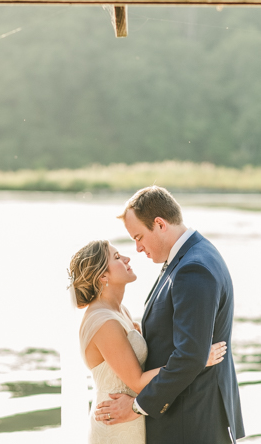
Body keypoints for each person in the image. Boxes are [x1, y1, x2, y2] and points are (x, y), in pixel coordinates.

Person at [94, 186, 245, 444]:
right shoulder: (190, 256)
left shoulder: (193, 269)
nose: (138, 248)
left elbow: (190, 356)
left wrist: (136, 407)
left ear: (160, 224)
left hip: (190, 422)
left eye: (139, 237)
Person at [69, 239, 228, 444]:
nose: (127, 258)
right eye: (117, 257)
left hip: (131, 417)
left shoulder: (119, 311)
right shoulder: (103, 321)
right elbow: (137, 380)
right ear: (102, 276)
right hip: (115, 422)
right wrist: (197, 359)